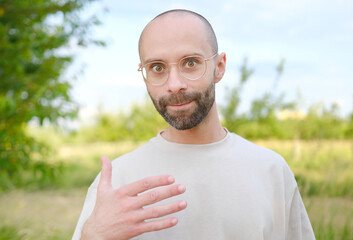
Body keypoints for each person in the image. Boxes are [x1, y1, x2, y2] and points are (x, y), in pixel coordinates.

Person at [72, 9, 316, 240]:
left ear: (219, 67)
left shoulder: (271, 170)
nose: (174, 83)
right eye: (157, 68)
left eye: (190, 63)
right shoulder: (117, 182)